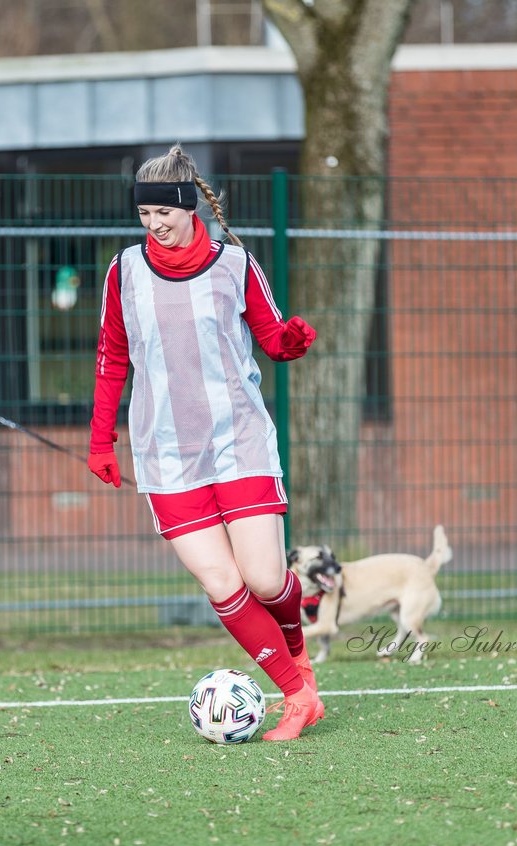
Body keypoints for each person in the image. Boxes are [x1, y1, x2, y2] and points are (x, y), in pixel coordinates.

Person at [87, 144, 323, 741]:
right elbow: (112, 356)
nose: (153, 225)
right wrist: (101, 441)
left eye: (162, 213)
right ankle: (298, 695)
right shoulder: (125, 271)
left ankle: (299, 633)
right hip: (166, 455)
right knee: (223, 584)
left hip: (237, 442)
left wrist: (292, 340)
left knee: (267, 580)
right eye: (143, 216)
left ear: (188, 206)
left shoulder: (236, 265)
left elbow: (272, 338)